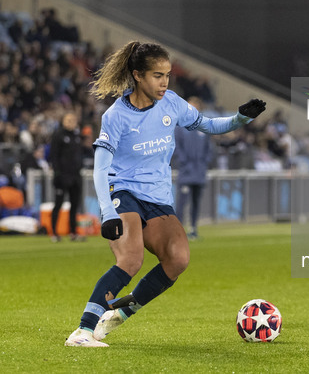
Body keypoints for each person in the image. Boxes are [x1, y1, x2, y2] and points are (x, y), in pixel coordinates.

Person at [65, 41, 266, 347]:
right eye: (157, 75)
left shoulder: (172, 103)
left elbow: (208, 125)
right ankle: (82, 330)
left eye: (167, 75)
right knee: (130, 259)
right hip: (125, 191)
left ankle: (116, 317)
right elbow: (100, 167)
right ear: (137, 75)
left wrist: (240, 119)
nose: (164, 82)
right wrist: (107, 212)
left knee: (178, 258)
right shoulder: (116, 116)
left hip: (158, 197)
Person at [174, 97, 212, 240]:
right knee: (182, 202)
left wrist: (204, 162)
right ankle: (178, 230)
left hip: (199, 172)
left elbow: (209, 149)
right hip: (186, 172)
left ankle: (193, 228)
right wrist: (184, 162)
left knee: (196, 201)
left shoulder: (204, 127)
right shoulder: (180, 127)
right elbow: (177, 147)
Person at [49, 112, 84, 242]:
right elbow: (54, 155)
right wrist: (57, 173)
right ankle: (54, 233)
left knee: (74, 205)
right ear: (63, 121)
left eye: (73, 120)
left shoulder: (76, 136)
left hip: (75, 176)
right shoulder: (58, 135)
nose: (71, 122)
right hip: (62, 176)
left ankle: (73, 232)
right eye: (68, 120)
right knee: (58, 204)